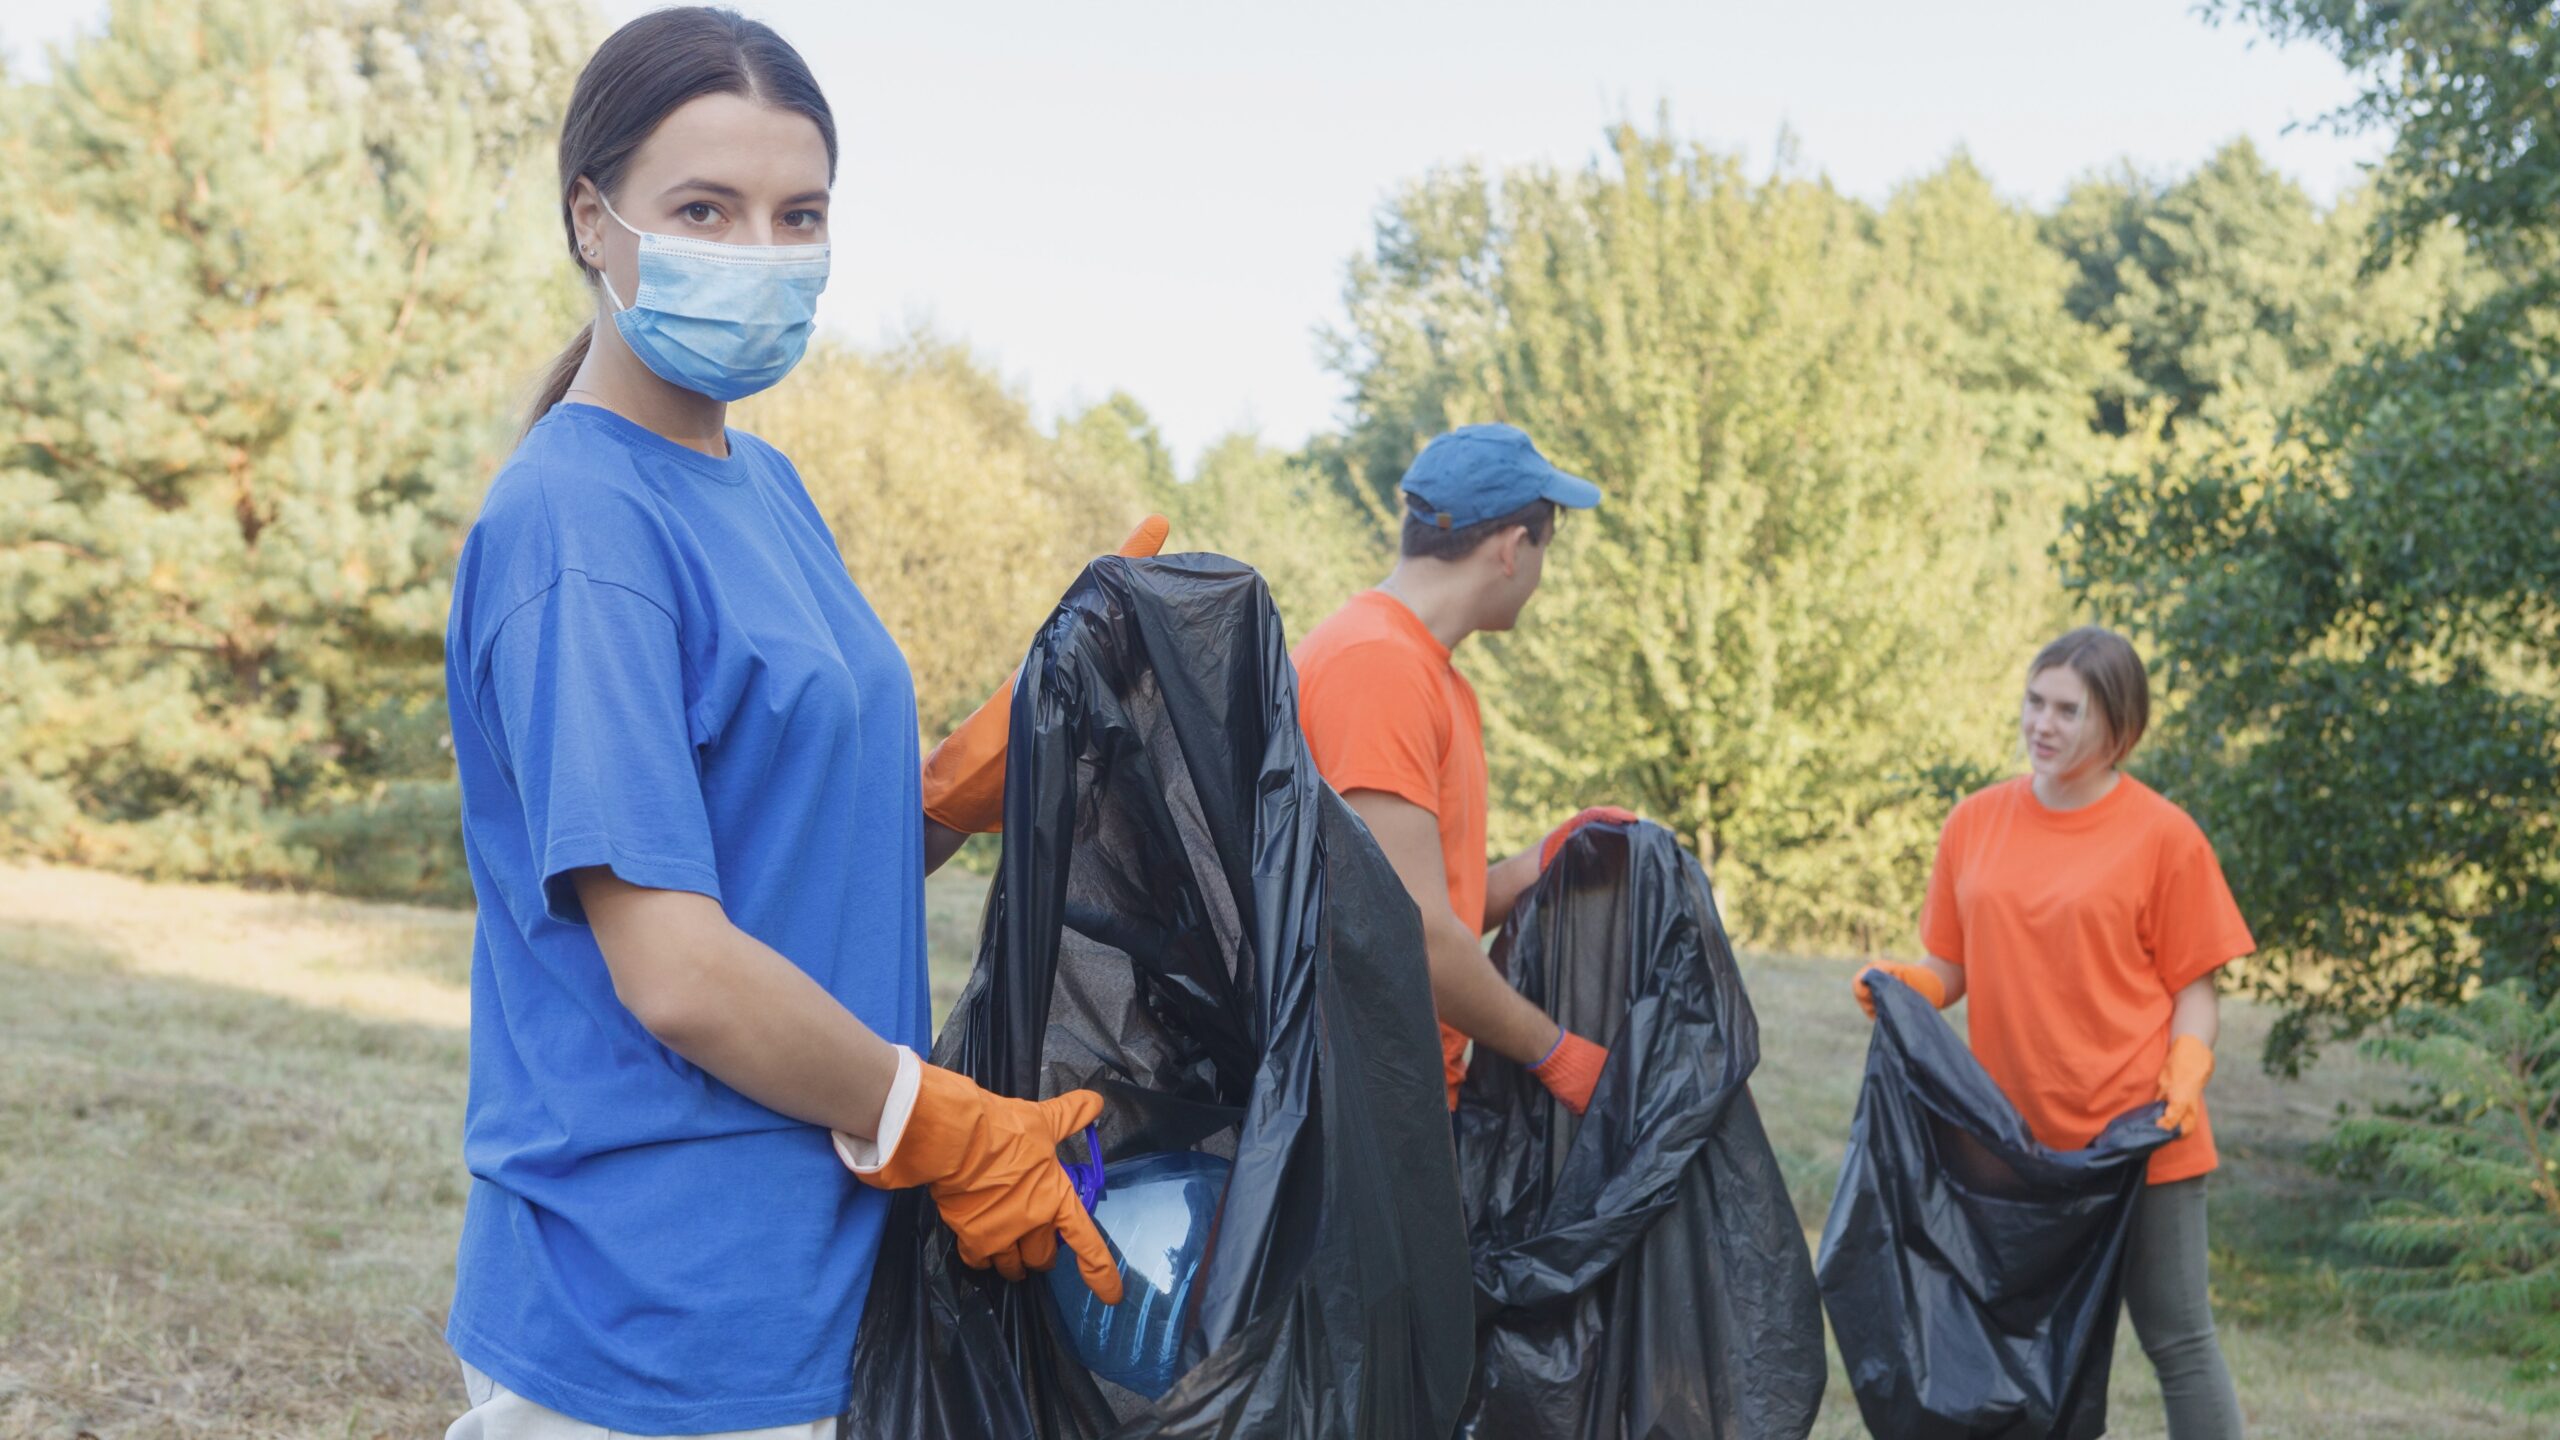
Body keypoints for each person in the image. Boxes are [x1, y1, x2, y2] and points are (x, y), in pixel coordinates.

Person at [439, 11, 1161, 1436]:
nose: (758, 250)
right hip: (654, 1307)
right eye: (705, 209)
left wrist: (961, 786)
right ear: (594, 218)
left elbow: (792, 850)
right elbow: (682, 971)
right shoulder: (580, 521)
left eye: (799, 214)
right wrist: (943, 1125)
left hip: (820, 1274)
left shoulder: (765, 490)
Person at [1854, 626, 2251, 1440]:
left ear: (2120, 728)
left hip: (2141, 1140)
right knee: (2024, 1355)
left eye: (2069, 710)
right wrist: (1913, 987)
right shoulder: (1974, 822)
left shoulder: (2165, 838)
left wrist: (2187, 1063)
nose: (2043, 723)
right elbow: (1951, 963)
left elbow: (2195, 990)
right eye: (2035, 701)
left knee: (2178, 1339)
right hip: (2014, 1150)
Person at [1293, 424, 1633, 1117]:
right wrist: (1555, 1051)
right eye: (1547, 550)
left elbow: (1423, 900)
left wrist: (1546, 859)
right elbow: (1411, 932)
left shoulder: (1428, 672)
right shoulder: (1377, 667)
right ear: (1514, 548)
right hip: (1358, 1111)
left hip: (1402, 1095)